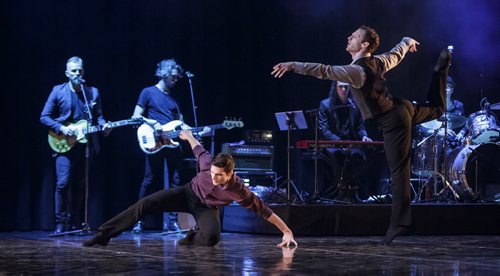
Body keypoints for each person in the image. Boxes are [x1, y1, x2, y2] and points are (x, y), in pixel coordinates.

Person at [271, 25, 450, 244]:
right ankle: (440, 70)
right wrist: (406, 40)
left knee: (398, 171)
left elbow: (324, 70)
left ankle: (399, 224)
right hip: (401, 108)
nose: (349, 37)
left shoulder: (356, 71)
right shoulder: (378, 61)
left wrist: (293, 65)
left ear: (364, 45)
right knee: (438, 109)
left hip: (393, 120)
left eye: (354, 36)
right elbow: (395, 54)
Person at [83, 129, 297, 247]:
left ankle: (191, 238)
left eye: (219, 176)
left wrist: (286, 231)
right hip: (187, 193)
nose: (214, 178)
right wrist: (184, 133)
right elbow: (193, 141)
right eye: (212, 174)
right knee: (145, 203)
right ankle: (104, 234)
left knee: (212, 238)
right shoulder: (206, 162)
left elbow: (264, 211)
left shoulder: (239, 191)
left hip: (207, 208)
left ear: (230, 174)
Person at [40, 56, 111, 234]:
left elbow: (99, 117)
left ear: (83, 72)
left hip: (85, 145)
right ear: (67, 73)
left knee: (81, 184)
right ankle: (60, 222)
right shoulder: (58, 90)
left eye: (80, 70)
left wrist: (105, 127)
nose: (77, 73)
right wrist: (62, 128)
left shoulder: (92, 92)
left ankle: (74, 221)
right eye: (73, 71)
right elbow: (44, 116)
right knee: (63, 183)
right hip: (63, 143)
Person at [131, 59, 187, 233]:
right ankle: (138, 220)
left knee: (175, 183)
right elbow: (135, 117)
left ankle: (172, 222)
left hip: (172, 143)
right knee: (149, 181)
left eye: (178, 78)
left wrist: (198, 131)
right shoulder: (147, 92)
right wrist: (153, 123)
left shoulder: (174, 98)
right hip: (155, 142)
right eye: (173, 77)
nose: (176, 80)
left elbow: (181, 123)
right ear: (164, 73)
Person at [318, 80, 372, 202]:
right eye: (341, 87)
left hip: (351, 143)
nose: (343, 90)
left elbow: (360, 127)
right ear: (335, 88)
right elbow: (323, 129)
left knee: (356, 155)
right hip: (333, 143)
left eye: (346, 87)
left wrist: (364, 136)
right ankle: (341, 190)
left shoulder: (355, 105)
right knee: (336, 154)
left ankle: (352, 190)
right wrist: (339, 141)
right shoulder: (325, 105)